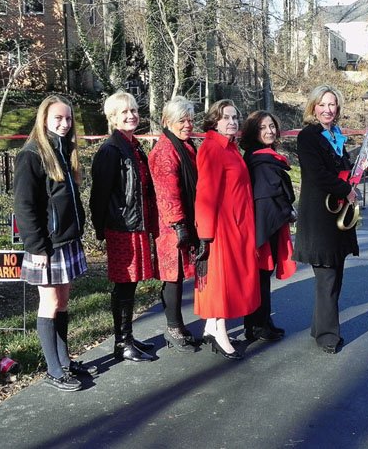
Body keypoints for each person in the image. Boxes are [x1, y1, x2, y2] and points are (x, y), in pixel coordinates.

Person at [14, 95, 95, 391]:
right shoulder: (32, 155)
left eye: (68, 119)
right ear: (44, 120)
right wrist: (36, 249)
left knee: (62, 302)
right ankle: (53, 370)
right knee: (49, 303)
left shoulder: (64, 151)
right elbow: (24, 207)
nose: (64, 124)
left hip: (67, 242)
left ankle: (64, 360)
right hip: (45, 247)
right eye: (58, 118)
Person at [90, 91, 158, 362]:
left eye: (133, 111)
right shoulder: (110, 150)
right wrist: (100, 229)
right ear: (112, 118)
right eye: (124, 112)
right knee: (123, 285)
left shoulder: (133, 145)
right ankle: (121, 341)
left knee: (131, 285)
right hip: (121, 227)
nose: (131, 116)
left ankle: (128, 336)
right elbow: (100, 194)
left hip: (135, 224)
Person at [293, 85, 359, 354]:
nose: (327, 109)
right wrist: (347, 189)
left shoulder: (336, 133)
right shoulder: (308, 136)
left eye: (332, 105)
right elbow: (318, 173)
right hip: (320, 216)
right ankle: (328, 336)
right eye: (322, 105)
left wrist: (354, 173)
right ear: (313, 107)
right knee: (327, 276)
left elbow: (340, 168)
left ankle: (319, 326)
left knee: (335, 274)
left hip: (338, 213)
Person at [193, 99, 260, 360]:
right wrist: (206, 235)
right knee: (220, 281)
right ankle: (219, 329)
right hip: (221, 228)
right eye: (225, 118)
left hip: (238, 225)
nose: (232, 122)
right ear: (214, 121)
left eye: (234, 117)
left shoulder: (230, 148)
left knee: (230, 279)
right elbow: (205, 194)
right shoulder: (211, 148)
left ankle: (212, 327)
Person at [240, 110, 297, 343]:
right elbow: (265, 197)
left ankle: (262, 322)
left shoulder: (267, 156)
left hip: (269, 223)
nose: (269, 131)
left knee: (263, 276)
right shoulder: (259, 160)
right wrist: (288, 213)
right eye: (263, 128)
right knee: (261, 276)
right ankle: (257, 325)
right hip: (263, 225)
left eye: (272, 126)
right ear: (254, 132)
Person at [148, 96, 199, 352]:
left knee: (178, 276)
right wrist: (179, 224)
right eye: (182, 120)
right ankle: (173, 328)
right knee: (173, 277)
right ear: (168, 121)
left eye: (190, 119)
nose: (188, 124)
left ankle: (178, 323)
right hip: (170, 226)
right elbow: (167, 192)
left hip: (183, 220)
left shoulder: (185, 145)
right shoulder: (165, 150)